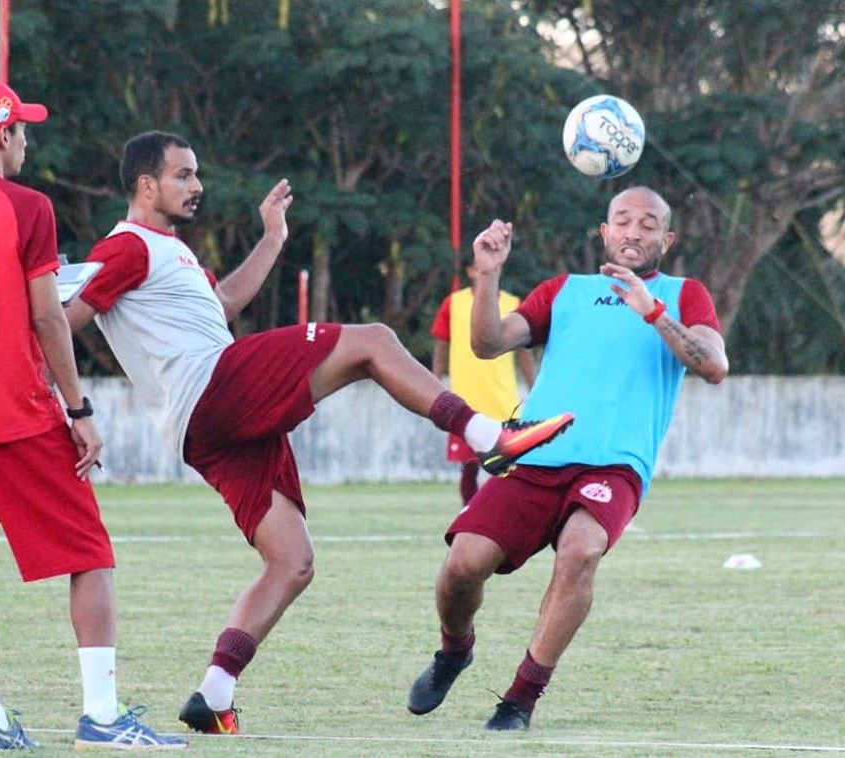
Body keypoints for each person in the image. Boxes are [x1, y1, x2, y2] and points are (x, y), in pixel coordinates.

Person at [62, 130, 575, 736]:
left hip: (199, 430)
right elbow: (62, 319)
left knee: (293, 561)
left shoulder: (167, 251)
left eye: (196, 175)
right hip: (214, 389)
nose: (197, 186)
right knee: (374, 341)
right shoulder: (126, 247)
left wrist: (273, 238)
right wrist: (74, 408)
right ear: (146, 184)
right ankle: (491, 438)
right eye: (183, 175)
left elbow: (222, 304)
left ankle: (214, 692)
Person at [0, 81, 185, 751]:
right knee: (90, 555)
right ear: (1, 137)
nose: (26, 140)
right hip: (18, 413)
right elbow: (49, 314)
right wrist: (78, 409)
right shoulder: (27, 207)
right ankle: (102, 717)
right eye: (22, 130)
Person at [407, 187, 729, 731]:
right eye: (622, 221)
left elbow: (714, 365)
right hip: (534, 457)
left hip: (614, 466)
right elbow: (487, 344)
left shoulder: (683, 293)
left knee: (581, 552)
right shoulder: (564, 291)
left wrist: (652, 312)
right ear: (604, 232)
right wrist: (487, 276)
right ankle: (454, 652)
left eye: (648, 224)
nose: (633, 231)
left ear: (666, 240)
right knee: (461, 568)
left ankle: (519, 701)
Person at [431, 252, 538, 505]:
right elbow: (441, 345)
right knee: (468, 467)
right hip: (465, 400)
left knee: (507, 465)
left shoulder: (513, 303)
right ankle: (469, 513)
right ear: (469, 271)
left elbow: (524, 351)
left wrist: (535, 387)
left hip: (503, 400)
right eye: (477, 268)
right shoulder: (453, 303)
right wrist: (434, 383)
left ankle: (502, 512)